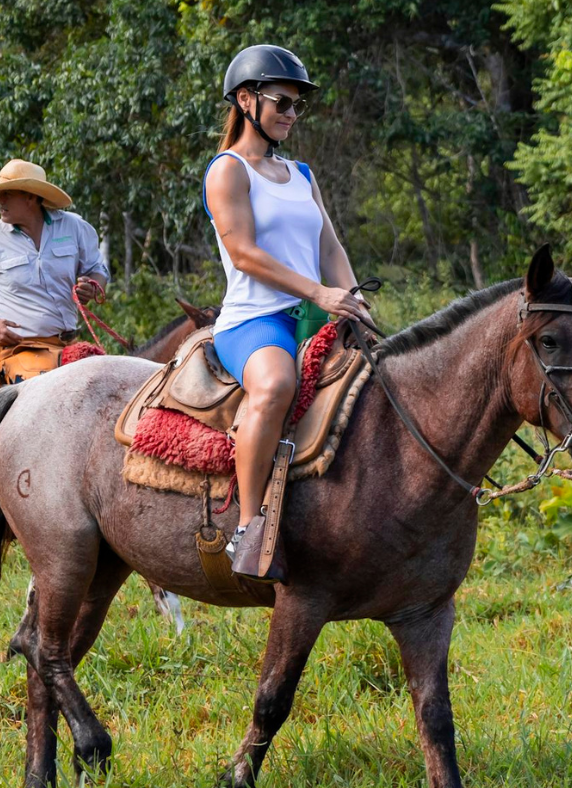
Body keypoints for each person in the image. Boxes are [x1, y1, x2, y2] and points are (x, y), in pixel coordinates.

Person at [203, 45, 371, 580]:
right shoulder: (227, 171)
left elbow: (331, 249)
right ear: (246, 99)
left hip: (318, 315)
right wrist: (319, 295)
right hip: (256, 319)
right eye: (282, 103)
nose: (291, 115)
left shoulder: (301, 173)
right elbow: (246, 254)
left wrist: (355, 302)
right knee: (274, 384)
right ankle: (250, 530)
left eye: (298, 106)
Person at [0, 158, 109, 383]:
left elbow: (97, 270)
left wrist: (92, 285)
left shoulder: (75, 227)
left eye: (6, 194)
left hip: (69, 347)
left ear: (31, 197)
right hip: (19, 353)